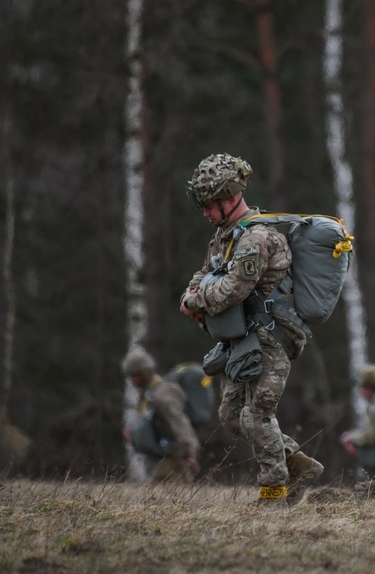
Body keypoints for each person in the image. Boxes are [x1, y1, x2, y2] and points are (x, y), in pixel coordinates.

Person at [180, 153, 323, 505]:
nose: (205, 212)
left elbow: (235, 288)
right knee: (230, 414)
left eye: (210, 205)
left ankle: (273, 493)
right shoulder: (224, 237)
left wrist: (196, 302)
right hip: (244, 340)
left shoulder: (256, 238)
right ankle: (298, 463)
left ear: (230, 198)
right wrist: (190, 292)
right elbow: (205, 274)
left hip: (272, 337)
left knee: (256, 414)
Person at [122, 350, 202, 482]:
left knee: (165, 495)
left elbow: (179, 421)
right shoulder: (148, 395)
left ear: (146, 373)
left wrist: (189, 453)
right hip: (163, 454)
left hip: (175, 455)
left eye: (135, 375)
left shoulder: (162, 394)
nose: (133, 380)